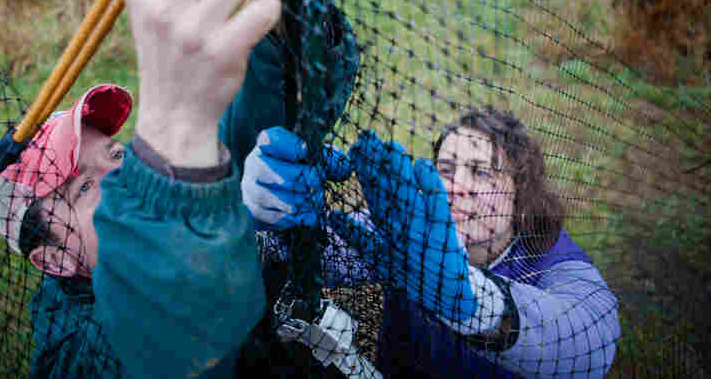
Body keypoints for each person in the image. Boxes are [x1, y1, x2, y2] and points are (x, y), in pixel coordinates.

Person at [0, 0, 294, 379]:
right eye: (83, 186)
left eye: (114, 155)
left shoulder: (166, 201)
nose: (121, 174)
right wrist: (175, 135)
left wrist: (280, 16)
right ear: (55, 259)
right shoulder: (73, 348)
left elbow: (251, 125)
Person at [243, 108, 621, 378]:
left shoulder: (558, 262)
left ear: (521, 192)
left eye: (481, 172)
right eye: (445, 168)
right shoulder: (409, 232)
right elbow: (322, 257)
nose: (456, 186)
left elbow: (590, 347)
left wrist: (475, 302)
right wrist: (275, 216)